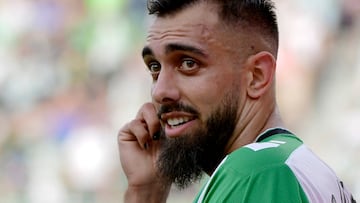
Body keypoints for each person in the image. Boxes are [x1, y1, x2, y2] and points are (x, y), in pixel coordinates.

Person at [118, 0, 357, 202]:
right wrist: (145, 193)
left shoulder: (255, 172)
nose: (160, 91)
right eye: (155, 67)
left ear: (257, 76)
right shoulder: (292, 168)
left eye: (188, 63)